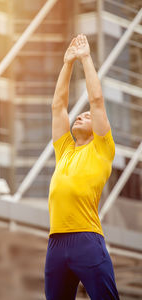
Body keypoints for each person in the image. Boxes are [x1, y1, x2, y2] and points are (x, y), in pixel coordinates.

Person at [44, 34, 120, 300]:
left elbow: (97, 100)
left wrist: (85, 58)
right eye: (79, 114)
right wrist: (67, 64)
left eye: (87, 116)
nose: (81, 115)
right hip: (55, 243)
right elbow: (58, 107)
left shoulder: (102, 148)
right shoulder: (64, 149)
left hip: (86, 241)